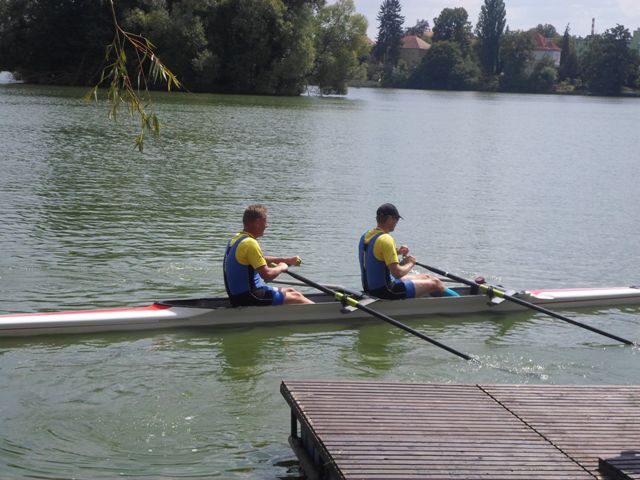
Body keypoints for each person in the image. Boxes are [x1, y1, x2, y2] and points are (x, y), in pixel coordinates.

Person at [358, 203, 460, 300]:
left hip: (370, 289)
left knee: (427, 277)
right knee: (435, 283)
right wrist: (410, 263)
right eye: (397, 219)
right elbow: (398, 273)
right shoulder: (386, 239)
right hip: (387, 292)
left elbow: (374, 255)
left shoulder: (366, 236)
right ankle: (460, 302)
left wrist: (398, 252)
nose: (397, 222)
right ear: (390, 219)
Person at [223, 204, 313, 306]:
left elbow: (259, 259)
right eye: (265, 221)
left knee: (291, 291)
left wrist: (286, 260)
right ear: (257, 223)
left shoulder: (237, 238)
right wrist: (281, 267)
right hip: (250, 297)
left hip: (239, 296)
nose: (267, 225)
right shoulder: (250, 243)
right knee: (297, 297)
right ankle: (321, 312)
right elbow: (268, 275)